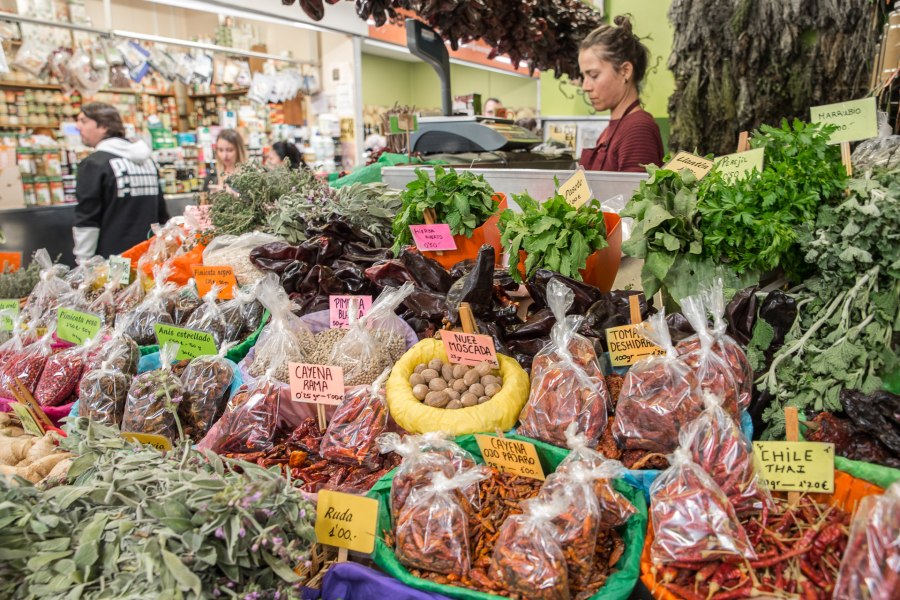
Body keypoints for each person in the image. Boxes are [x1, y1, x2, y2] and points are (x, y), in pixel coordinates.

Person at [73, 102, 169, 261]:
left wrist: (83, 264)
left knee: (120, 288)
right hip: (150, 259)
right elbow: (162, 216)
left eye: (83, 121)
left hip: (114, 262)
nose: (77, 127)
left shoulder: (95, 164)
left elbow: (87, 220)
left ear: (103, 126)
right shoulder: (148, 162)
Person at [578, 15, 664, 173]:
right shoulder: (611, 129)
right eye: (584, 76)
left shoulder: (638, 130)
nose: (585, 86)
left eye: (594, 75)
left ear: (625, 71)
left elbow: (633, 196)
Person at [203, 128, 247, 193]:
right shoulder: (212, 175)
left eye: (229, 150)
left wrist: (234, 195)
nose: (224, 155)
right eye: (220, 150)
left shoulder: (248, 175)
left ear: (239, 150)